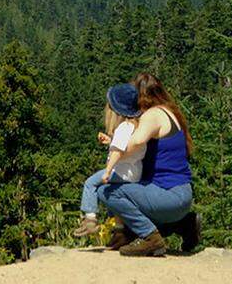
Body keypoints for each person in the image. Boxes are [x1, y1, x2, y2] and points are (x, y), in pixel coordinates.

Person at [95, 73, 196, 257]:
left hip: (168, 195)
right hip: (180, 195)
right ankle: (185, 224)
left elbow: (136, 142)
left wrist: (115, 148)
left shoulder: (152, 115)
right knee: (131, 199)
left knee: (107, 192)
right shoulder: (169, 111)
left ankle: (151, 239)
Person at [72, 83, 145, 237]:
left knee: (90, 183)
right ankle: (120, 229)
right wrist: (110, 140)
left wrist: (107, 170)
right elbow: (125, 147)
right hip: (134, 173)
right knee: (111, 192)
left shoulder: (123, 127)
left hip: (121, 172)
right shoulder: (136, 126)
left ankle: (90, 219)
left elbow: (118, 152)